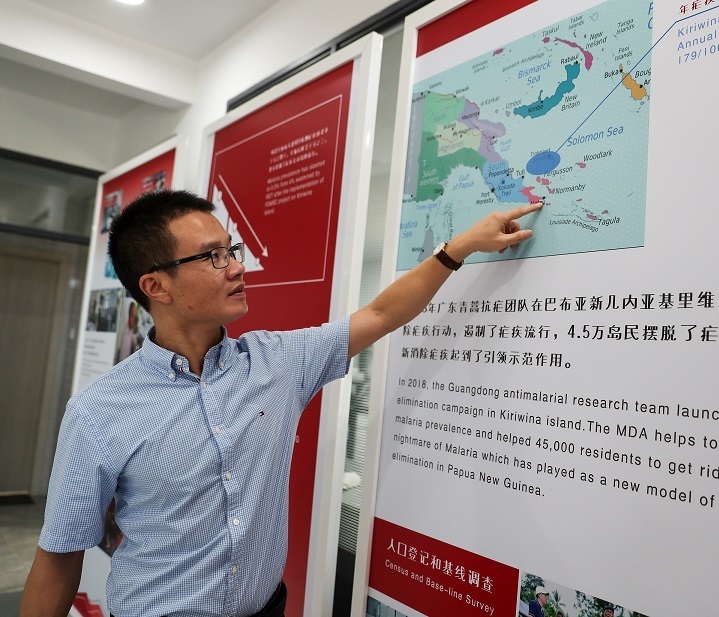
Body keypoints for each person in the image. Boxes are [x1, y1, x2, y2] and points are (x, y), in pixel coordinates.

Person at [20, 189, 541, 617]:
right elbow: (61, 553)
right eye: (213, 257)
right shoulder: (99, 410)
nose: (236, 268)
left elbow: (381, 315)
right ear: (155, 286)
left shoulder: (277, 362)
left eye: (232, 250)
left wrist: (459, 248)